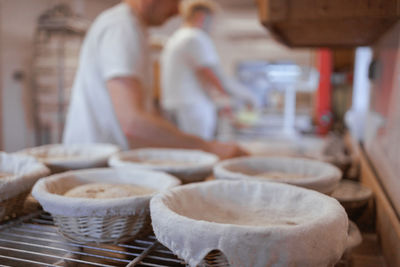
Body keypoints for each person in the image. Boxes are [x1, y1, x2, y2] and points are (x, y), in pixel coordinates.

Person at [63, 0, 247, 159]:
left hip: (104, 156)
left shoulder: (133, 27)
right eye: (175, 1)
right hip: (93, 161)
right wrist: (209, 148)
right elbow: (133, 123)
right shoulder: (121, 27)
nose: (177, 11)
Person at [161, 0, 257, 140]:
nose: (212, 25)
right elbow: (214, 77)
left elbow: (201, 77)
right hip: (192, 109)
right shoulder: (195, 37)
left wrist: (221, 100)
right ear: (201, 16)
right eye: (212, 20)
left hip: (174, 106)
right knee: (197, 152)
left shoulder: (175, 39)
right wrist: (249, 98)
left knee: (184, 150)